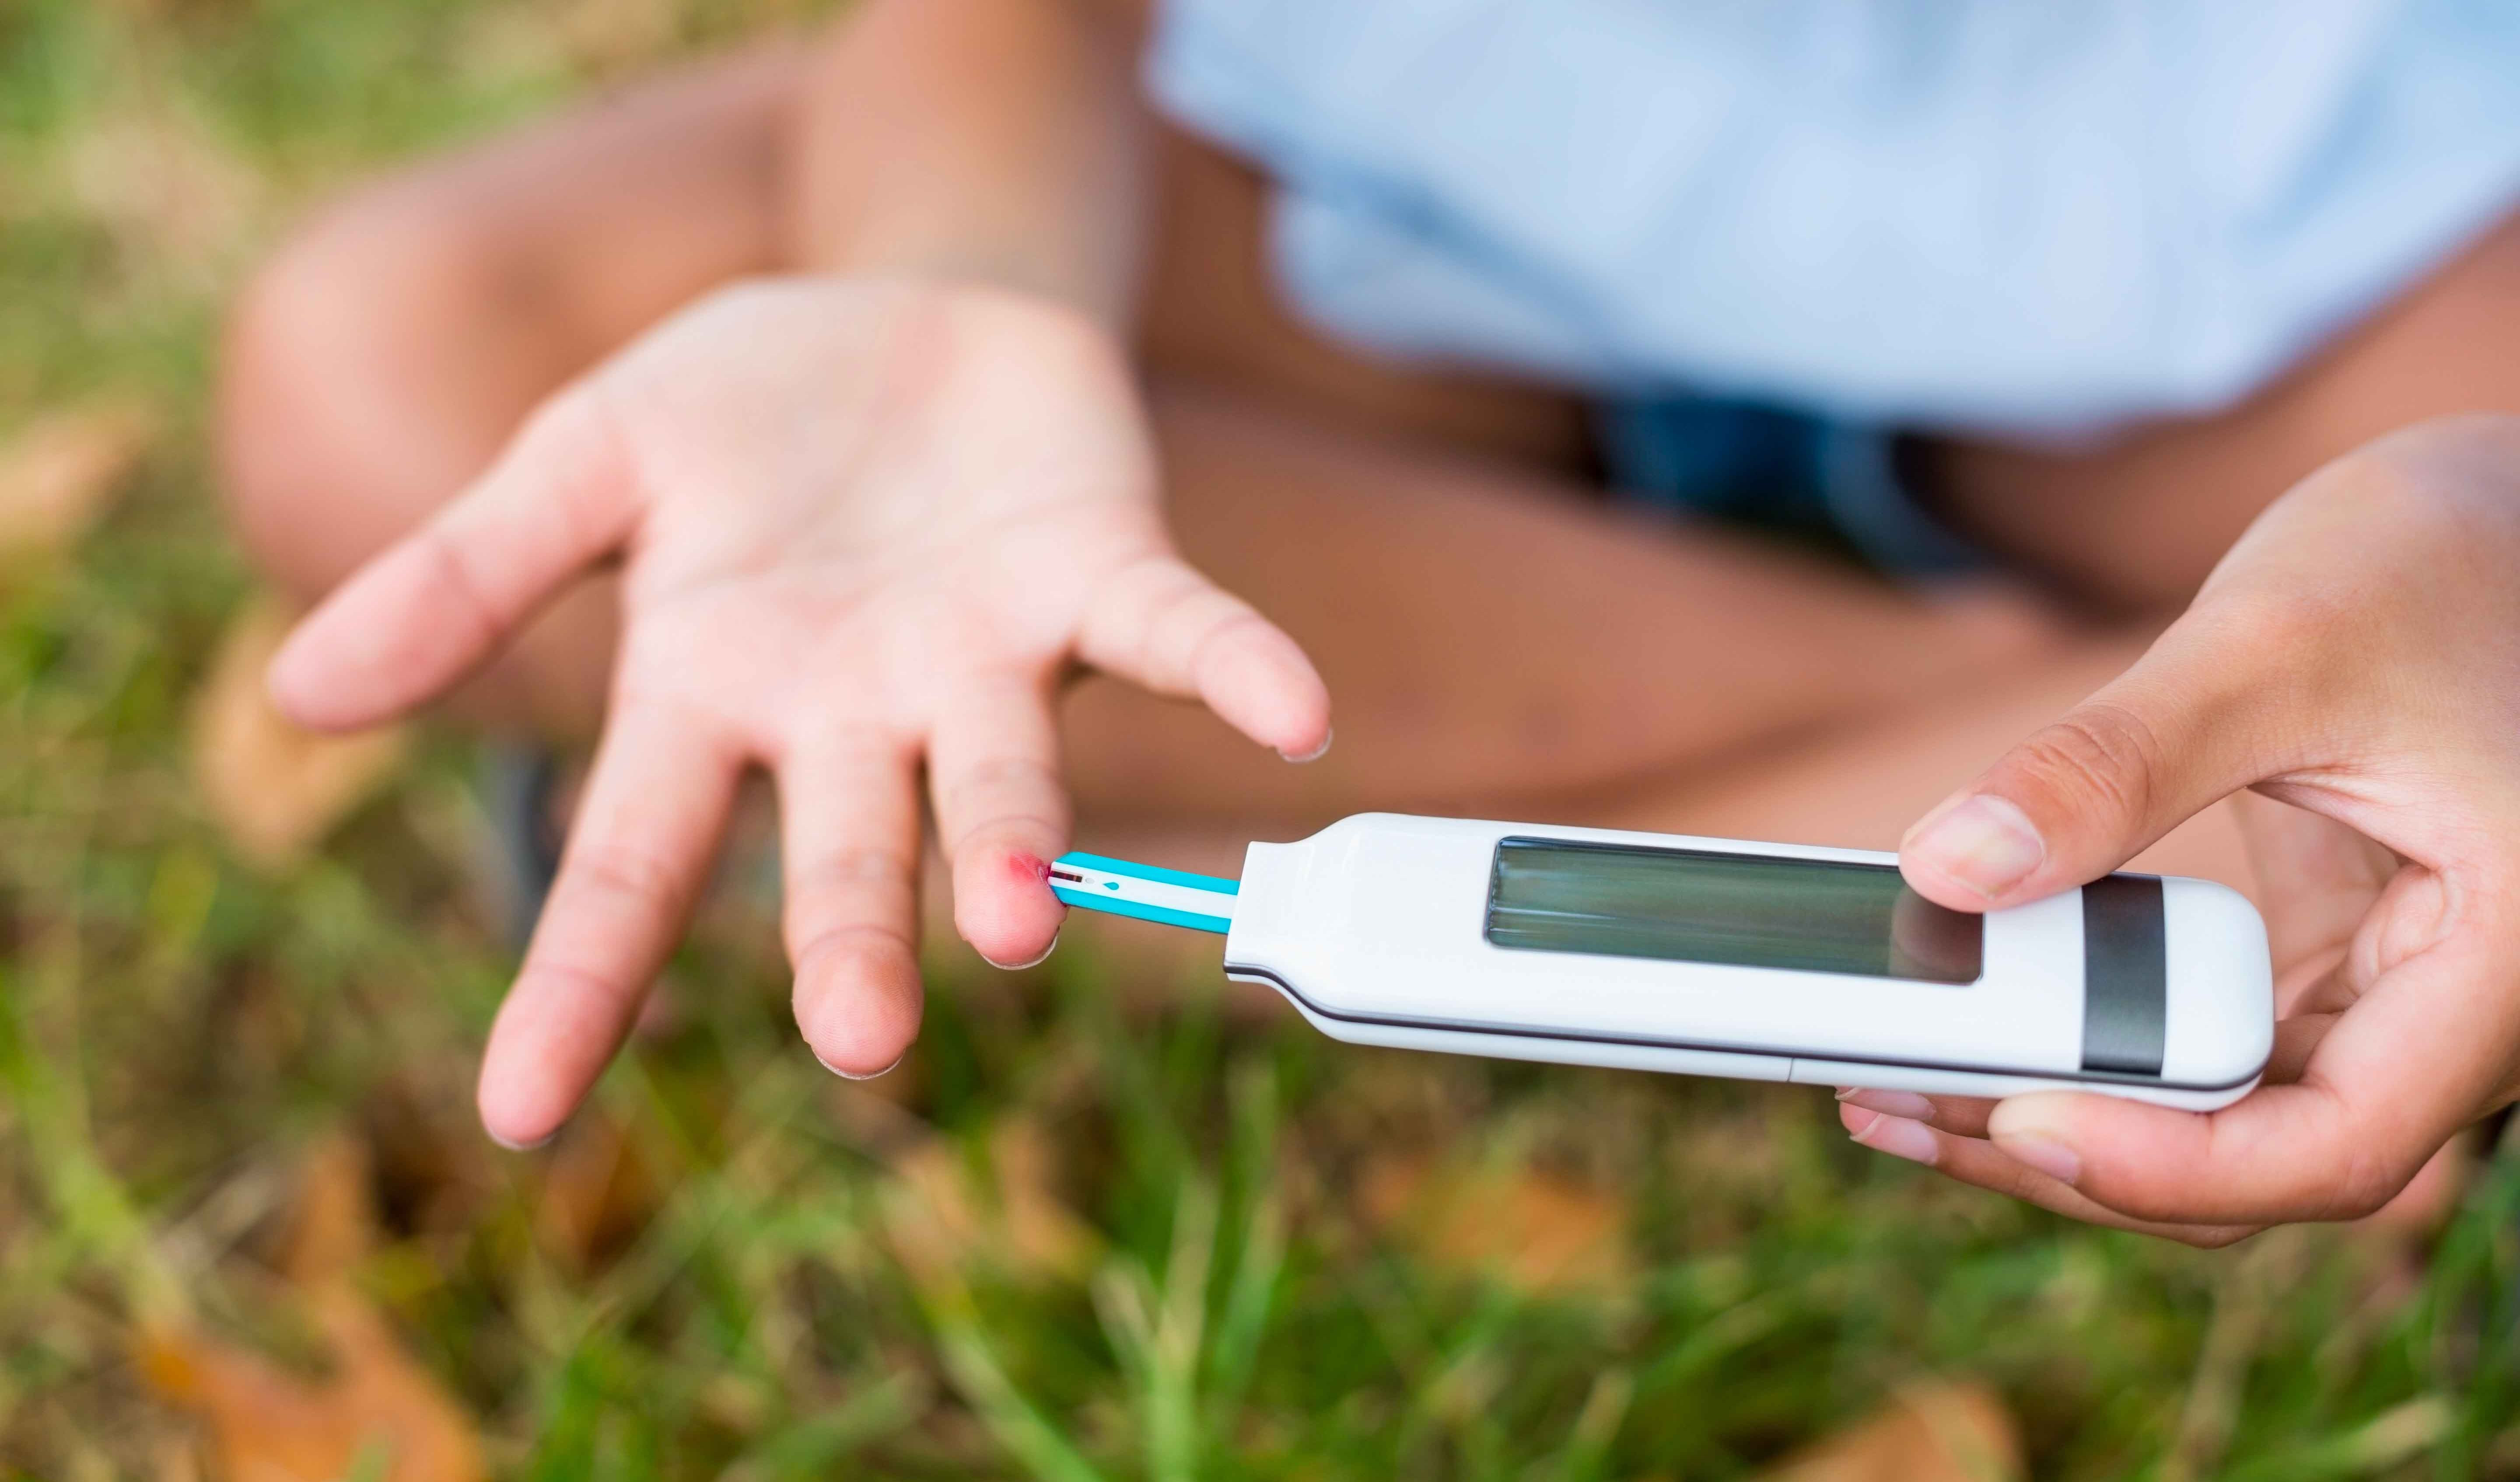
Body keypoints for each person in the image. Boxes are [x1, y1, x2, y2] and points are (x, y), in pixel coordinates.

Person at [217, 0, 2520, 1242]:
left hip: (2298, 193)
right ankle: (1980, 733)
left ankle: (973, 872)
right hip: (1378, 150)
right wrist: (952, 293)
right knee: (391, 373)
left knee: (2368, 850)